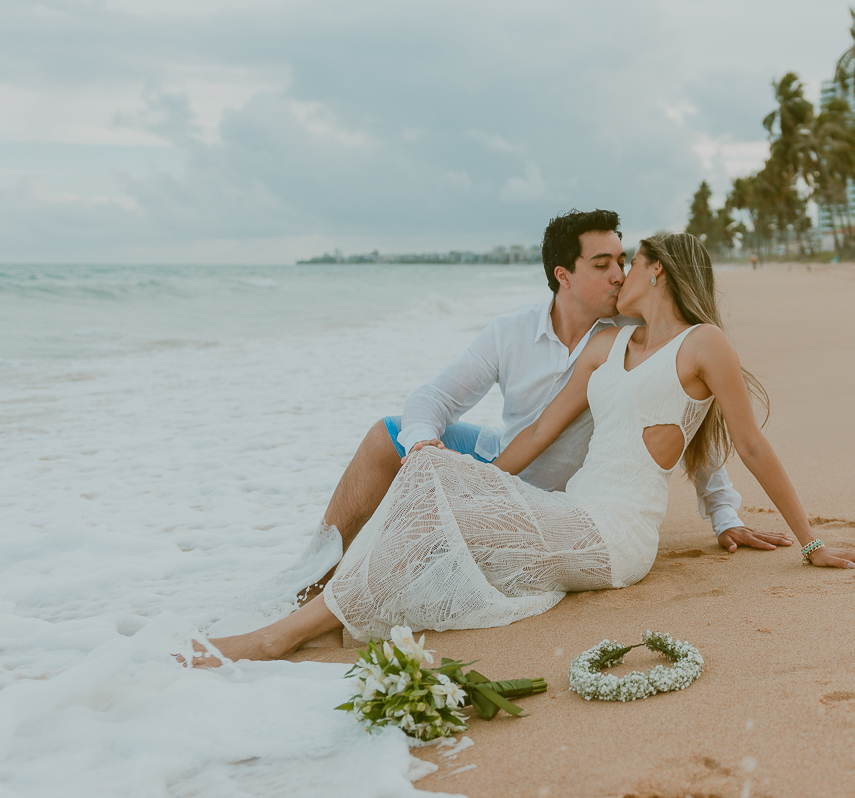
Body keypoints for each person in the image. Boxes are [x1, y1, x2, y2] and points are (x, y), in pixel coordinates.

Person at [187, 233, 855, 665]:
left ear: (660, 274)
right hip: (569, 512)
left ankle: (283, 635)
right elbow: (535, 435)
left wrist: (809, 544)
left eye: (632, 262)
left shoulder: (704, 345)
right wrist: (460, 475)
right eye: (611, 263)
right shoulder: (608, 347)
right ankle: (320, 606)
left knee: (436, 508)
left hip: (618, 537)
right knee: (429, 487)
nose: (621, 274)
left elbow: (750, 446)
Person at [296, 211, 785, 611]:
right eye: (601, 264)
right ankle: (312, 580)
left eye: (622, 260)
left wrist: (723, 513)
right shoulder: (511, 332)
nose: (618, 274)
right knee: (389, 434)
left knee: (432, 529)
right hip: (506, 464)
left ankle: (345, 598)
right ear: (563, 275)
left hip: (568, 505)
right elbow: (435, 398)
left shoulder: (631, 337)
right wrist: (424, 443)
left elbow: (684, 414)